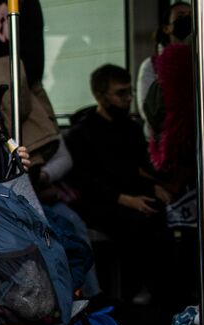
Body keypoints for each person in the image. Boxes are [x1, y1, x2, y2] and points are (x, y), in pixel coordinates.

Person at [65, 64, 172, 305]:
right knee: (137, 223)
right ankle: (135, 290)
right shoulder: (81, 134)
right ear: (100, 96)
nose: (127, 99)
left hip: (131, 194)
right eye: (120, 94)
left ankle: (162, 292)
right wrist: (126, 200)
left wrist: (154, 187)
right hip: (100, 201)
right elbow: (86, 181)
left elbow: (137, 168)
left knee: (163, 217)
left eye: (128, 92)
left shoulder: (131, 128)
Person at [136, 2, 191, 141]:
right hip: (166, 138)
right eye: (180, 16)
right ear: (166, 28)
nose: (187, 19)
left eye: (191, 16)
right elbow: (148, 108)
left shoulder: (201, 59)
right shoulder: (152, 65)